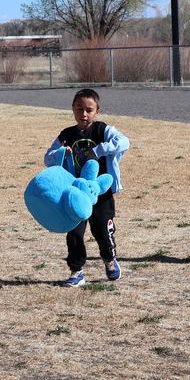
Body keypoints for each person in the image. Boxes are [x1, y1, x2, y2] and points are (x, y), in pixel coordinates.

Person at [43, 88, 130, 287]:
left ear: (97, 111)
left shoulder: (102, 130)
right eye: (79, 109)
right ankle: (76, 271)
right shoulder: (66, 134)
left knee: (102, 231)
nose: (84, 113)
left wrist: (99, 150)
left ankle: (109, 260)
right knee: (74, 233)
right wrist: (59, 154)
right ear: (72, 109)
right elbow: (47, 158)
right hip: (74, 195)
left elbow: (124, 142)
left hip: (100, 193)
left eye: (89, 110)